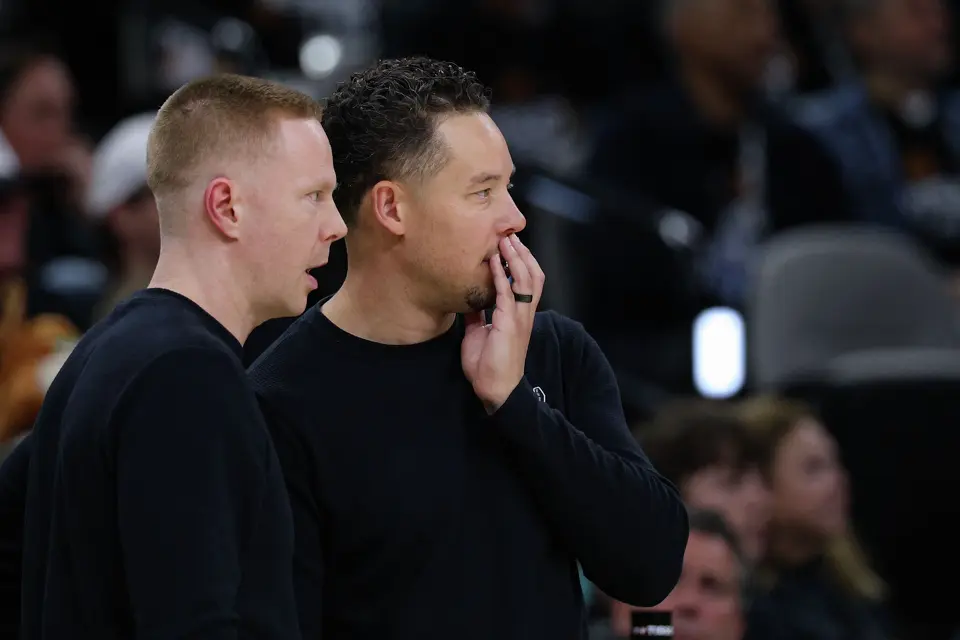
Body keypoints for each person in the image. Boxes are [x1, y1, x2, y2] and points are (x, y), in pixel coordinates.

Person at [248, 56, 688, 639]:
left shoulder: (554, 350)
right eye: (482, 193)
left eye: (508, 187)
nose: (515, 218)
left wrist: (515, 406)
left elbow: (650, 567)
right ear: (392, 208)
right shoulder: (280, 403)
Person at [17, 73, 346, 639]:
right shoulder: (187, 375)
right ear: (227, 207)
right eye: (313, 196)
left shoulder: (103, 348)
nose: (336, 226)